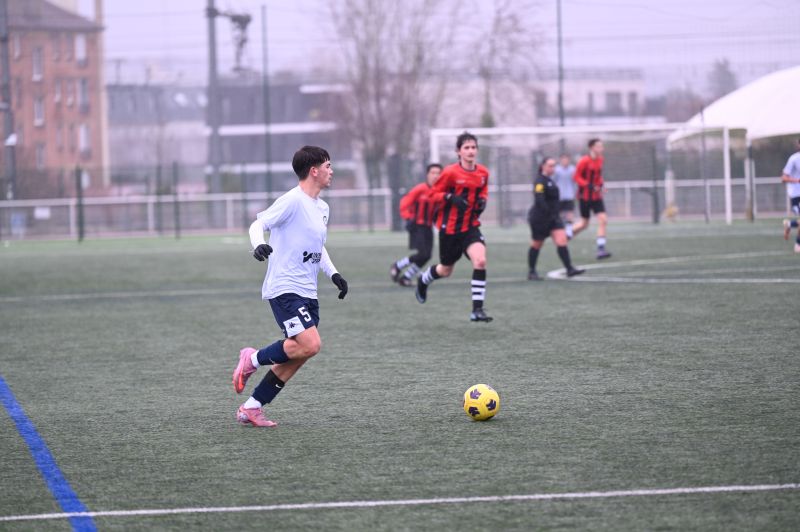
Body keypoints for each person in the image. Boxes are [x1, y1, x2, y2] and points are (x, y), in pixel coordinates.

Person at [232, 145, 349, 428]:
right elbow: (258, 224)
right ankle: (252, 358)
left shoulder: (322, 208)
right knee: (311, 344)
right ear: (314, 171)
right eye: (328, 166)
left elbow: (318, 246)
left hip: (308, 291)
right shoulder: (292, 201)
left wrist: (334, 274)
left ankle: (252, 407)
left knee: (301, 352)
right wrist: (258, 244)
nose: (332, 171)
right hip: (285, 287)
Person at [415, 132, 492, 323]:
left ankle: (477, 310)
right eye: (466, 148)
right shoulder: (450, 173)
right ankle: (423, 280)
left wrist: (483, 200)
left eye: (473, 147)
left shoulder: (483, 173)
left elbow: (483, 190)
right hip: (450, 230)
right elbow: (432, 194)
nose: (470, 151)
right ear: (459, 151)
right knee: (445, 271)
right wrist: (450, 197)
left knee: (480, 261)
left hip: (471, 227)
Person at [527, 157, 585, 280]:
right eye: (550, 165)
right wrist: (548, 212)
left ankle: (569, 269)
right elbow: (539, 199)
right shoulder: (540, 181)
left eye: (554, 165)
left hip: (553, 218)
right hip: (540, 219)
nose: (552, 168)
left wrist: (555, 214)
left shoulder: (550, 180)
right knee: (537, 244)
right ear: (543, 166)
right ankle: (532, 272)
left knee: (561, 241)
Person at [390, 163, 442, 286]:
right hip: (417, 226)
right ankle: (398, 266)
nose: (435, 176)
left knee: (426, 256)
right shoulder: (420, 189)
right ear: (427, 175)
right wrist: (408, 217)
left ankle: (406, 277)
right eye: (433, 173)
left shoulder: (440, 191)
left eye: (438, 173)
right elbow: (404, 203)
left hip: (428, 227)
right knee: (423, 254)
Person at [571, 138, 612, 259]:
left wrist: (601, 185)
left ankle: (601, 249)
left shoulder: (600, 159)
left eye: (602, 146)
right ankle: (565, 236)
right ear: (592, 148)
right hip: (584, 197)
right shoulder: (584, 161)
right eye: (599, 146)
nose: (601, 149)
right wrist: (588, 185)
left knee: (603, 219)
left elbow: (598, 176)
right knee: (584, 224)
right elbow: (576, 177)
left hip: (596, 197)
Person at [781, 138, 800, 253]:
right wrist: (797, 180)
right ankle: (798, 245)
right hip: (796, 195)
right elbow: (783, 178)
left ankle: (789, 224)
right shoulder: (794, 159)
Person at [552, 154, 577, 239]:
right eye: (563, 159)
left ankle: (569, 232)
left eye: (566, 159)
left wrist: (576, 191)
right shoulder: (556, 170)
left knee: (570, 213)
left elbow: (575, 181)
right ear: (560, 160)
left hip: (569, 195)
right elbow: (553, 181)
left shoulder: (573, 169)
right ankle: (560, 230)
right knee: (559, 214)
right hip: (559, 196)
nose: (565, 161)